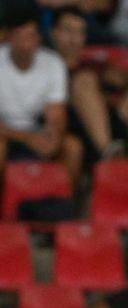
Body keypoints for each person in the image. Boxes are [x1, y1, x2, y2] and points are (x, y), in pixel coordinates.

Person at [49, 7, 128, 161]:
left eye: (79, 32)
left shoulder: (94, 63)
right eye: (68, 31)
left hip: (109, 123)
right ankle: (109, 153)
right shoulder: (45, 65)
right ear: (54, 33)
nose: (74, 39)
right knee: (84, 80)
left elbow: (119, 78)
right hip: (74, 127)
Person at [0, 11, 83, 183]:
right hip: (5, 133)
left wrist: (54, 137)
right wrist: (26, 138)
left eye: (30, 36)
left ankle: (62, 204)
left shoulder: (53, 63)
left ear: (38, 38)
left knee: (72, 148)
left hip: (36, 130)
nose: (25, 42)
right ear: (9, 38)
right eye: (20, 36)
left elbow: (56, 114)